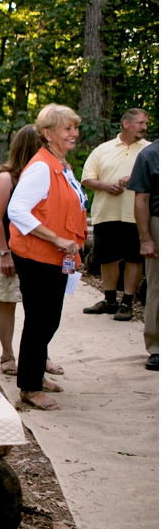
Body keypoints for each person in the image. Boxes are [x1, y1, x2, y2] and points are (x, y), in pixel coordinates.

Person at [7, 104, 88, 411]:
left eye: (75, 128)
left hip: (57, 258)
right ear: (47, 133)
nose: (74, 134)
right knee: (40, 321)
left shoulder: (61, 165)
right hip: (38, 257)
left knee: (48, 320)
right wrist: (56, 238)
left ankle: (36, 373)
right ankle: (29, 387)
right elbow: (16, 210)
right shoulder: (42, 167)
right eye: (67, 128)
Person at [0, 125, 64, 378]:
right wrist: (4, 253)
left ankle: (41, 356)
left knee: (39, 309)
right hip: (10, 250)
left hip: (41, 252)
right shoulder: (7, 178)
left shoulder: (48, 173)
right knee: (8, 301)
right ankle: (7, 354)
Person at [80, 109, 150, 321]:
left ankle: (127, 303)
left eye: (146, 123)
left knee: (133, 259)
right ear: (126, 124)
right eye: (140, 123)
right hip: (106, 214)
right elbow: (86, 179)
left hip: (137, 215)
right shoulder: (103, 150)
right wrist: (106, 186)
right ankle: (110, 301)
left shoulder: (150, 151)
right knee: (107, 258)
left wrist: (136, 178)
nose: (144, 127)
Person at [126, 140, 159, 371]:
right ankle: (156, 347)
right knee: (157, 286)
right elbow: (141, 199)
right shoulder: (150, 154)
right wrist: (146, 238)